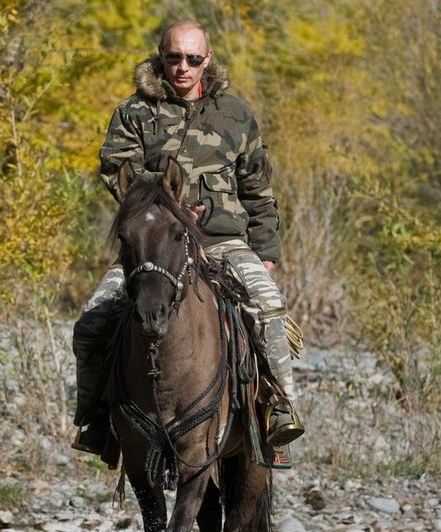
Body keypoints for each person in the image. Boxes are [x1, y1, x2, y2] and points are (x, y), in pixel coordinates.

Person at [72, 20, 304, 456]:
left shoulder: (235, 114)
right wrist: (168, 211)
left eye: (193, 58)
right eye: (174, 57)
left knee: (269, 306)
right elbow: (118, 175)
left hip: (224, 242)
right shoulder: (133, 113)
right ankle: (95, 417)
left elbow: (258, 189)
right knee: (91, 322)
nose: (183, 66)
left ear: (207, 59)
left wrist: (266, 253)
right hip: (154, 245)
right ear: (160, 56)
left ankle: (279, 409)